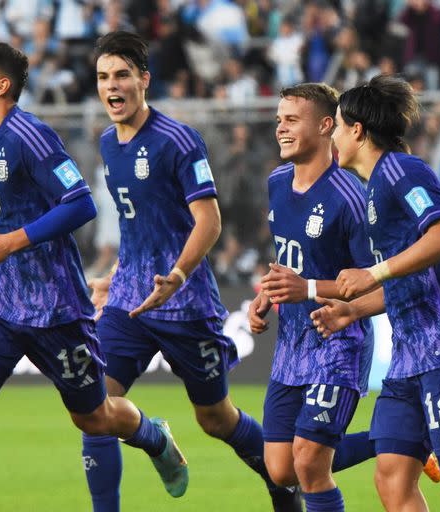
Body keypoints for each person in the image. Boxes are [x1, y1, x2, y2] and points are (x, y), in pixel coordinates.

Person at [0, 41, 187, 512]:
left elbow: (81, 203)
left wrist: (9, 242)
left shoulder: (31, 136)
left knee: (95, 419)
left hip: (55, 309)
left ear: (1, 86)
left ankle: (153, 438)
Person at [85, 31, 301, 512]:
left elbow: (209, 220)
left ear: (144, 79)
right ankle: (153, 439)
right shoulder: (107, 143)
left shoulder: (178, 140)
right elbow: (140, 226)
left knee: (216, 419)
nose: (112, 86)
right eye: (103, 77)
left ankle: (281, 481)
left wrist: (177, 276)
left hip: (185, 303)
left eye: (122, 75)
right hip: (130, 302)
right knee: (92, 407)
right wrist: (115, 274)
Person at [311, 74, 440, 511]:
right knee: (391, 477)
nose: (331, 135)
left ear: (357, 130)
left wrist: (374, 273)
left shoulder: (400, 170)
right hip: (409, 357)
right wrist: (355, 311)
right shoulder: (375, 186)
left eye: (335, 125)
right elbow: (414, 281)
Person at [248, 82, 377, 512]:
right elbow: (289, 255)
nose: (280, 129)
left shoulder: (352, 197)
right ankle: (395, 438)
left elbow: (374, 280)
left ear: (326, 125)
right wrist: (270, 290)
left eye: (291, 120)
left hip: (340, 341)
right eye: (278, 120)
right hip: (292, 342)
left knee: (309, 462)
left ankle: (397, 438)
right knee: (281, 468)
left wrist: (305, 288)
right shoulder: (277, 181)